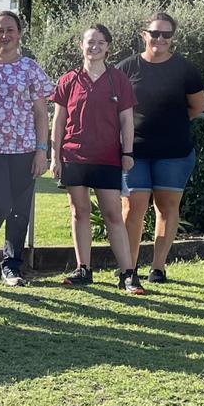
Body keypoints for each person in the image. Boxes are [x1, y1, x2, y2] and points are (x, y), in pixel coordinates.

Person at [51, 24, 145, 294]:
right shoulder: (68, 80)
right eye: (90, 42)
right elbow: (59, 122)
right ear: (81, 45)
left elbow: (127, 119)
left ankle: (128, 273)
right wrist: (54, 156)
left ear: (108, 47)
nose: (95, 47)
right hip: (73, 155)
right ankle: (83, 269)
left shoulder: (119, 80)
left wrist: (127, 152)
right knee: (79, 212)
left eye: (100, 42)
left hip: (107, 158)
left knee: (113, 214)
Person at [0, 11, 54, 287]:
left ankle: (11, 266)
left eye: (10, 30)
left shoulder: (30, 68)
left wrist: (42, 150)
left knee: (19, 211)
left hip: (24, 148)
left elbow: (41, 114)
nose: (4, 35)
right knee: (0, 204)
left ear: (19, 33)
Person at [118, 12, 204, 283]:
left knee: (167, 208)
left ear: (172, 38)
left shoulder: (185, 69)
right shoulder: (126, 68)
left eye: (166, 34)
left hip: (174, 153)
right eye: (155, 33)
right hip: (134, 153)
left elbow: (197, 107)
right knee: (133, 209)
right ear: (144, 34)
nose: (160, 39)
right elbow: (116, 109)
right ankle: (128, 268)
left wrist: (171, 124)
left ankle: (158, 267)